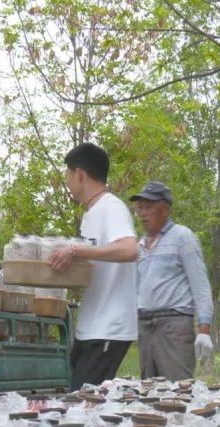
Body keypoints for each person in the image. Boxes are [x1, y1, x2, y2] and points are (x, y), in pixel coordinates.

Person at [48, 143, 138, 390]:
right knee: (75, 395)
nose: (67, 181)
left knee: (84, 401)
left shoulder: (111, 207)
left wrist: (76, 250)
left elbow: (130, 249)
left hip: (109, 328)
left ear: (79, 174)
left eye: (67, 174)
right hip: (90, 325)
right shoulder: (91, 213)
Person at [131, 180, 214, 380]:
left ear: (164, 210)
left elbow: (200, 286)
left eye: (148, 207)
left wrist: (204, 330)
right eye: (139, 208)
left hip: (174, 326)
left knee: (178, 391)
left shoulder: (183, 237)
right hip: (145, 326)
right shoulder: (139, 245)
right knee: (149, 392)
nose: (142, 213)